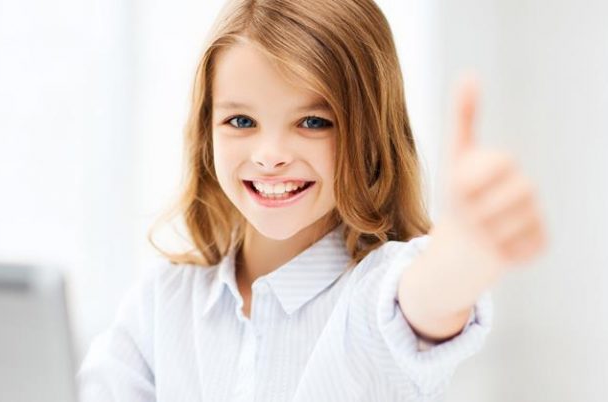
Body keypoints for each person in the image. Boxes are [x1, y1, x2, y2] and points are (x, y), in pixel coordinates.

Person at [76, 0, 547, 401]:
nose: (270, 157)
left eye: (313, 123)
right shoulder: (163, 302)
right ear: (206, 133)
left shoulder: (375, 294)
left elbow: (430, 297)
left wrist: (465, 249)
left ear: (369, 136)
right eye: (241, 121)